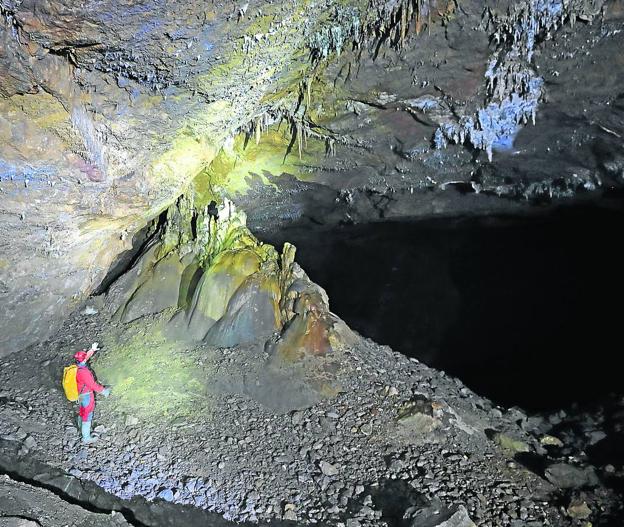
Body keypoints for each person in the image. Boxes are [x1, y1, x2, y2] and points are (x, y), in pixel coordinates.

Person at [74, 343, 110, 444]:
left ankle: (80, 426)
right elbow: (93, 385)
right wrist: (103, 391)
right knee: (87, 414)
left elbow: (85, 358)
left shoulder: (76, 367)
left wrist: (92, 350)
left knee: (82, 411)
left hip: (80, 395)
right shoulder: (83, 372)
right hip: (86, 396)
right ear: (83, 360)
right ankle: (86, 437)